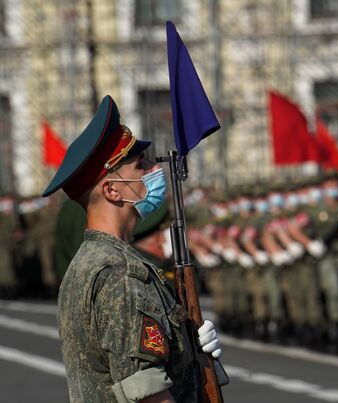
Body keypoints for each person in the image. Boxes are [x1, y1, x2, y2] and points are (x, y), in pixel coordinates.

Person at [42, 95, 222, 403]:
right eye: (141, 165)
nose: (154, 169)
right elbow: (148, 394)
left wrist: (191, 352)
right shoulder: (121, 274)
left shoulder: (89, 262)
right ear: (112, 190)